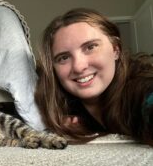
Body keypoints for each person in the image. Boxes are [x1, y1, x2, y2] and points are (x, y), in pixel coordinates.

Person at [35, 8, 153, 145]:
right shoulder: (65, 105)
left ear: (116, 50)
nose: (79, 67)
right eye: (64, 57)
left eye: (90, 47)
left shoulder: (139, 87)